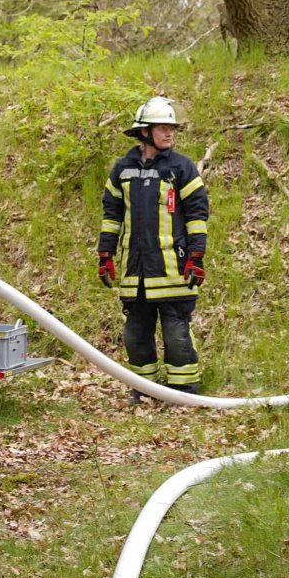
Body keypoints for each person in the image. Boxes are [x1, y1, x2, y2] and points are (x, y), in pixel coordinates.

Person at [98, 96, 210, 400]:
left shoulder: (182, 168)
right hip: (136, 274)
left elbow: (198, 214)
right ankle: (144, 389)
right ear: (144, 132)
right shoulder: (122, 170)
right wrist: (105, 254)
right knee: (135, 334)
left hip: (174, 270)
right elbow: (112, 215)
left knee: (176, 335)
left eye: (171, 128)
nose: (169, 133)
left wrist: (197, 256)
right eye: (162, 128)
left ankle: (183, 390)